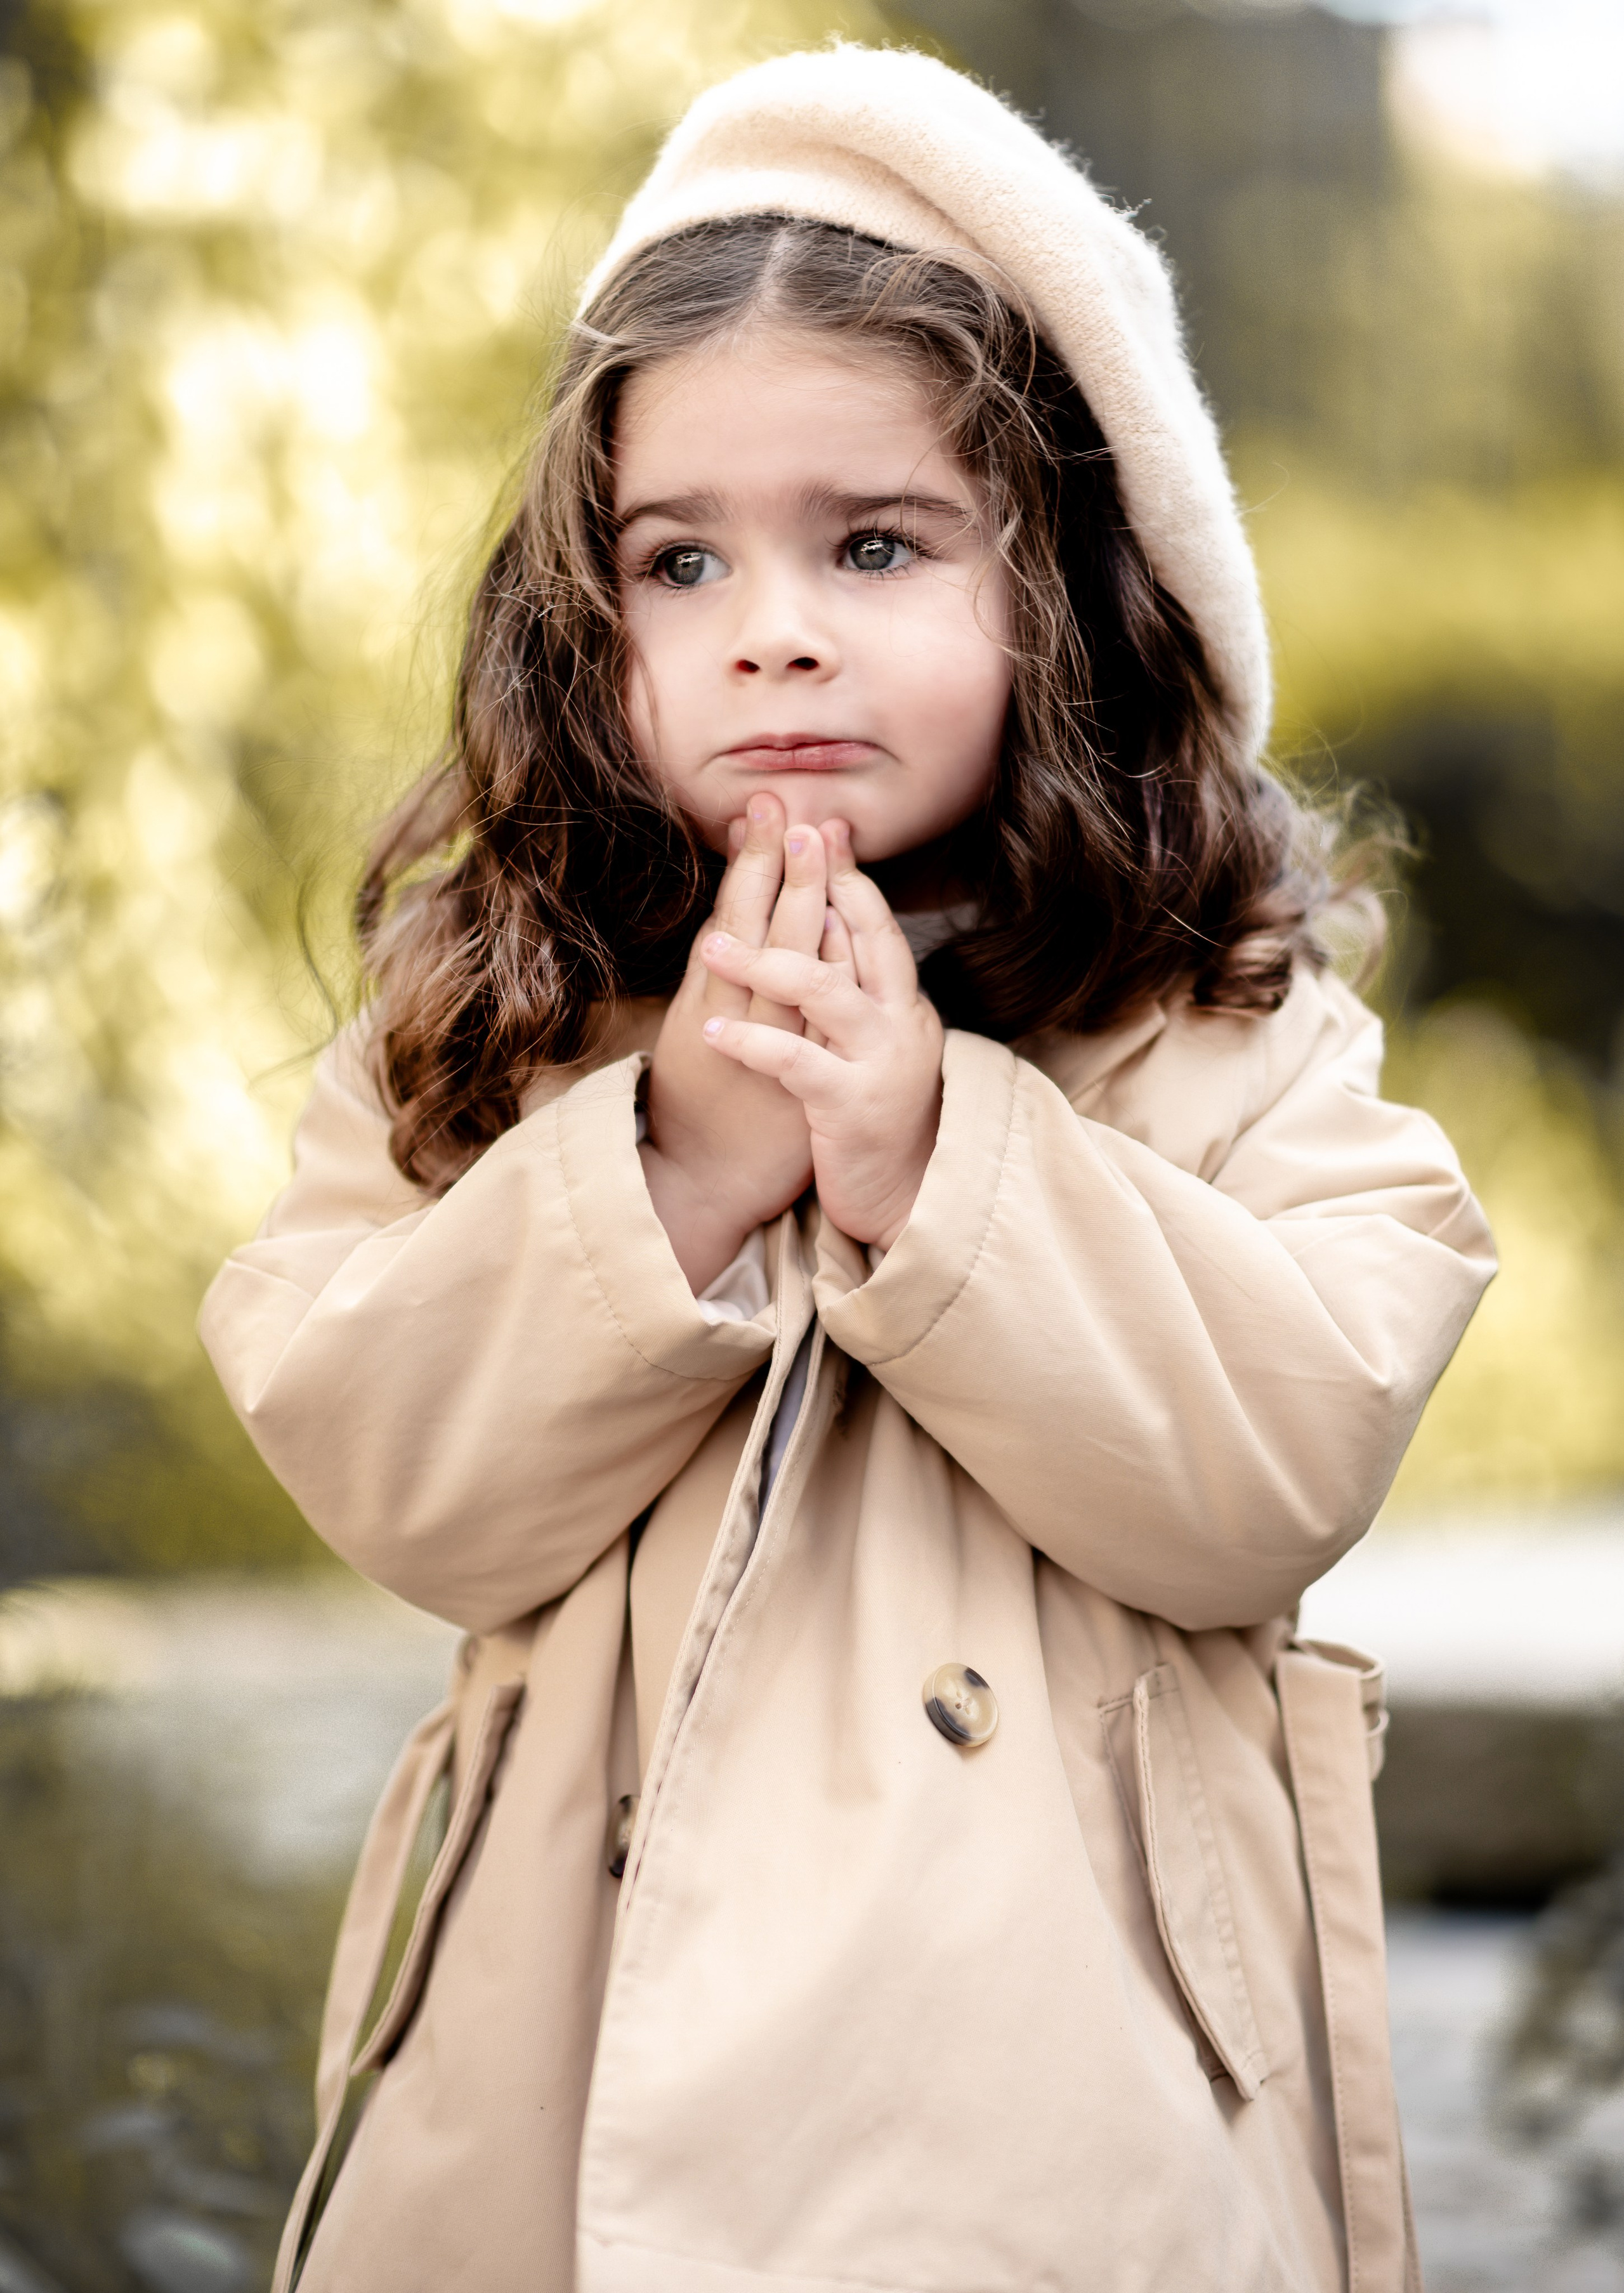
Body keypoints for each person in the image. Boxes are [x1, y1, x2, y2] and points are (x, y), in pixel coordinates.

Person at [200, 44, 1494, 2293]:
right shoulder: (496, 1029)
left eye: (876, 544)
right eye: (681, 559)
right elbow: (398, 1476)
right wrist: (677, 1163)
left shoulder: (1218, 1022)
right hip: (554, 2112)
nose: (771, 626)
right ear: (589, 629)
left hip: (1060, 2134)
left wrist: (937, 1161)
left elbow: (1282, 1461)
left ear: (1071, 593)